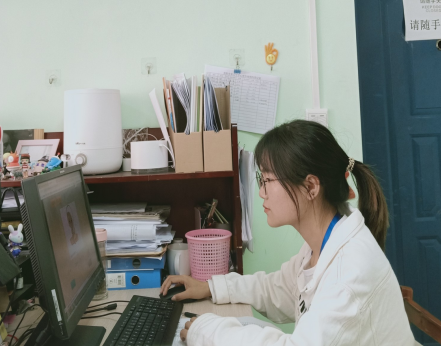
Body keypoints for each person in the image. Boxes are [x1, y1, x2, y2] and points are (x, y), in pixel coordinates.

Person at [160, 120, 419, 345]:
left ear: (310, 187)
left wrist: (206, 331)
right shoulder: (324, 241)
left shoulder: (348, 275)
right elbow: (278, 289)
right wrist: (212, 287)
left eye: (267, 180)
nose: (261, 193)